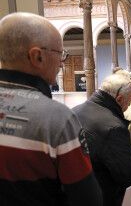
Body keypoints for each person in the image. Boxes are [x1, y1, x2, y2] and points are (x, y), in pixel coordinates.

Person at [0, 12, 102, 206]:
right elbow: (87, 199)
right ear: (37, 56)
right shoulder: (56, 119)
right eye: (60, 54)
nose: (62, 64)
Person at [73, 73, 131, 205]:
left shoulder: (74, 111)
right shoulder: (113, 127)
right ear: (119, 99)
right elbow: (129, 175)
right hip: (101, 197)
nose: (128, 107)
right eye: (130, 101)